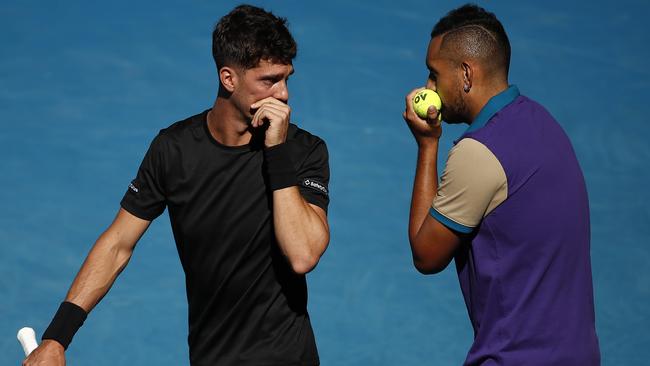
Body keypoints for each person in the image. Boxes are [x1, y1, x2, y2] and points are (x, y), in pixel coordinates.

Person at [23, 5, 330, 366]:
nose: (283, 95)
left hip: (286, 356)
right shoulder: (174, 150)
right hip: (210, 356)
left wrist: (275, 154)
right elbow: (118, 244)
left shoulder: (303, 150)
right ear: (229, 78)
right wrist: (58, 337)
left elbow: (303, 255)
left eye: (286, 79)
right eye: (269, 80)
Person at [402, 4, 600, 365]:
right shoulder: (544, 123)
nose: (428, 87)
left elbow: (426, 255)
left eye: (434, 74)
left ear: (465, 73)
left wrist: (428, 145)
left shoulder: (478, 152)